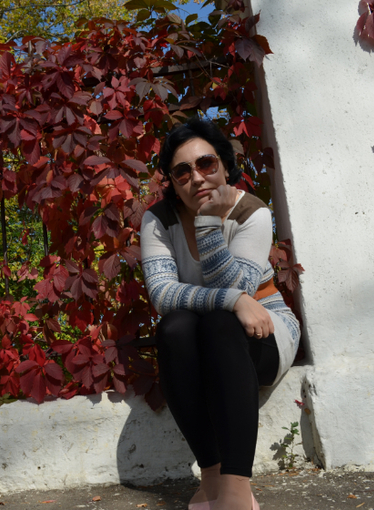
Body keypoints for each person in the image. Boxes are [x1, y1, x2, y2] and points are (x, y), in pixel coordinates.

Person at [140, 118, 300, 510]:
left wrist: (210, 220)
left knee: (218, 325)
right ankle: (210, 474)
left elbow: (238, 283)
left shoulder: (251, 212)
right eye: (182, 171)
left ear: (225, 166)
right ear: (172, 182)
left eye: (206, 164)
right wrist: (234, 301)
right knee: (174, 328)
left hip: (263, 328)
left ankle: (236, 487)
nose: (196, 177)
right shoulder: (158, 220)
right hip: (209, 329)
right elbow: (163, 295)